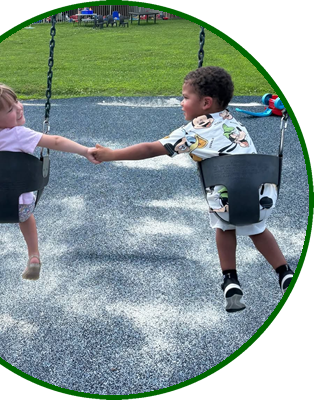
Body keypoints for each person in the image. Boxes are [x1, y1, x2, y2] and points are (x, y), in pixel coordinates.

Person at [92, 66, 294, 312]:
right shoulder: (233, 122)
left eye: (185, 97)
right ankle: (284, 273)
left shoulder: (191, 134)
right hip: (262, 198)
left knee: (223, 224)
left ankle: (230, 279)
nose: (181, 102)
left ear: (206, 102)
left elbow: (148, 149)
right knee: (257, 229)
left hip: (226, 203)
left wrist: (111, 154)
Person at [0, 83, 100, 280]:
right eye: (10, 109)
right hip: (22, 205)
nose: (19, 107)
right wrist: (84, 151)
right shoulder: (20, 134)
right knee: (27, 217)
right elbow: (56, 141)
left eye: (16, 102)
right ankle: (33, 257)